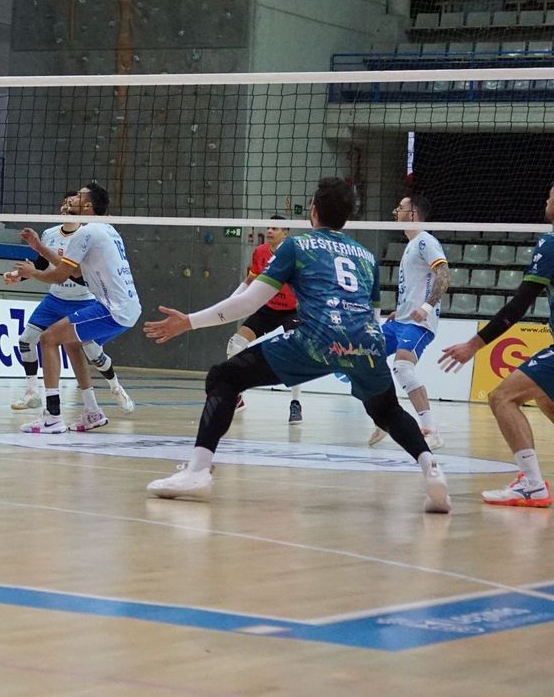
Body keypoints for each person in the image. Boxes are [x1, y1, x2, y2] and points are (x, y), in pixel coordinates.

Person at [144, 177, 450, 512]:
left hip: (318, 337)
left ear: (313, 211)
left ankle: (198, 471)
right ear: (347, 217)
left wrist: (189, 321)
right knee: (387, 410)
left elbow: (248, 302)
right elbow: (372, 315)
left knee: (224, 377)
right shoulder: (365, 256)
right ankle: (432, 472)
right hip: (367, 341)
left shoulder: (297, 245)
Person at [437, 183, 554, 508]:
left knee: (502, 397)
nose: (546, 199)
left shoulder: (550, 243)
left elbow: (519, 305)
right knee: (546, 398)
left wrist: (473, 345)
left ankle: (532, 485)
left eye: (551, 195)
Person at [5, 183, 141, 433]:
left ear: (88, 206)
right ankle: (92, 412)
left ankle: (53, 416)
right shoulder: (106, 229)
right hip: (123, 307)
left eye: (78, 196)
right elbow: (76, 272)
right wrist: (40, 249)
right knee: (71, 343)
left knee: (48, 339)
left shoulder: (85, 233)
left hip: (112, 309)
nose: (71, 199)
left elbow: (59, 276)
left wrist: (33, 273)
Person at [369, 196, 449, 451]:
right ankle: (385, 416)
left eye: (400, 208)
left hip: (419, 323)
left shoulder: (426, 241)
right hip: (401, 320)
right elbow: (415, 285)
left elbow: (444, 276)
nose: (396, 211)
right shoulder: (411, 244)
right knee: (366, 357)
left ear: (412, 213)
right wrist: (400, 310)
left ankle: (431, 430)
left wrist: (426, 307)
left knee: (403, 366)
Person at [226, 216, 303, 421]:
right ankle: (237, 397)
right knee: (236, 344)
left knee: (296, 353)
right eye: (269, 227)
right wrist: (232, 300)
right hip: (267, 308)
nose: (269, 231)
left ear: (285, 233)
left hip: (292, 311)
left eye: (275, 228)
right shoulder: (260, 252)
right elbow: (251, 279)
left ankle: (295, 404)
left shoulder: (295, 254)